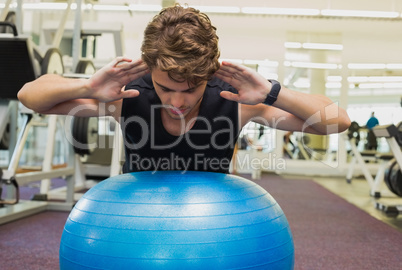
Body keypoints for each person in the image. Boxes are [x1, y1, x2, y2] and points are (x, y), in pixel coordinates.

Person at [17, 5, 351, 174]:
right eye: (165, 87)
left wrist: (271, 93)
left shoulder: (236, 100)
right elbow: (31, 97)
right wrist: (89, 86)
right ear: (150, 70)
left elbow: (336, 122)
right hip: (140, 220)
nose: (177, 101)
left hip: (212, 224)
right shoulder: (127, 96)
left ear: (209, 74)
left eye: (191, 89)